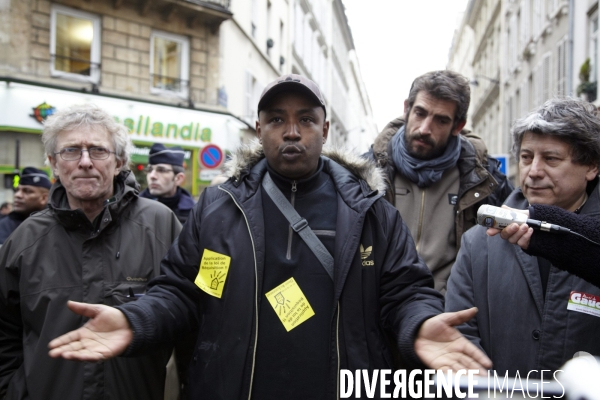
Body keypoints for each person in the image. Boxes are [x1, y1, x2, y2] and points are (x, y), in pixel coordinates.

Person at [48, 74, 492, 399]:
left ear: (325, 129)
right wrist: (135, 320)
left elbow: (404, 292)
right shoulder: (220, 207)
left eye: (305, 119)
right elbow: (183, 291)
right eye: (277, 119)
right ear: (259, 129)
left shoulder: (371, 210)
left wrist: (419, 324)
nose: (292, 131)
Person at [0, 104, 181, 400]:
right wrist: (14, 391)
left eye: (98, 150)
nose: (85, 162)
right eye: (70, 151)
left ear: (120, 161)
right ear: (53, 164)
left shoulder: (161, 226)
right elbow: (5, 330)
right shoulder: (25, 239)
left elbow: (189, 319)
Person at [445, 98, 600, 377]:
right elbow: (460, 336)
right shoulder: (479, 242)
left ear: (591, 166)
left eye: (551, 158)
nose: (534, 171)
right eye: (527, 157)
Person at [365, 70, 513, 293]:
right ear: (406, 110)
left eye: (441, 120)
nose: (425, 129)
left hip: (450, 311)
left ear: (457, 126)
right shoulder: (369, 171)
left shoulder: (484, 179)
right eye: (420, 113)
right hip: (383, 310)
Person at [486, 204, 600, 288]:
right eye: (524, 168)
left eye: (554, 169)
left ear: (591, 170)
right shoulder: (474, 240)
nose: (534, 173)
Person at [140, 143, 195, 225]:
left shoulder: (194, 213)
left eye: (161, 170)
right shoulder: (134, 207)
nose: (152, 176)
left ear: (178, 178)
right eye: (149, 170)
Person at [0, 167, 50, 244]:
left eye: (27, 191)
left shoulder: (54, 227)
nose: (17, 195)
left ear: (44, 198)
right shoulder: (3, 226)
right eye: (17, 190)